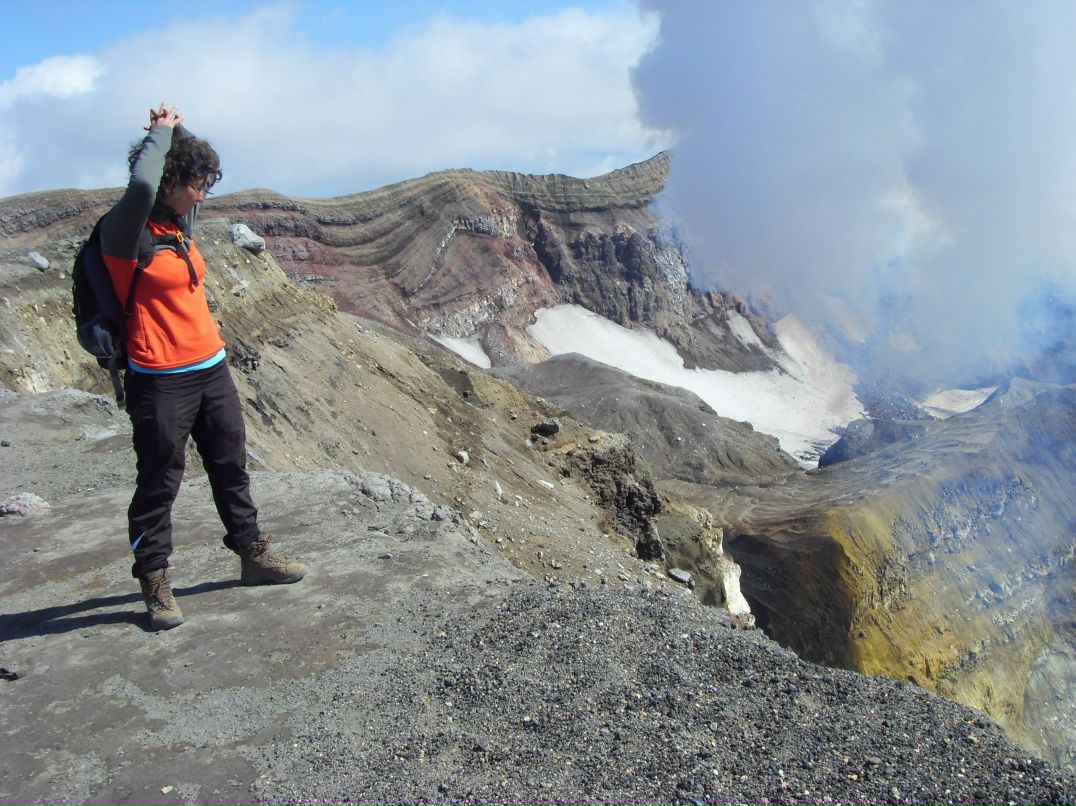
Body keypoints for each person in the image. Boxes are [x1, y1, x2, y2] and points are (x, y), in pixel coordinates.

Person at [100, 103, 306, 631]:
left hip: (210, 367)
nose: (203, 195)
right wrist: (161, 134)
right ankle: (154, 579)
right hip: (159, 379)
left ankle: (252, 553)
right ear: (170, 182)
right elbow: (142, 183)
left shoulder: (177, 222)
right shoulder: (126, 232)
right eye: (197, 184)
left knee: (230, 465)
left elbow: (178, 168)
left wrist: (176, 129)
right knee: (159, 481)